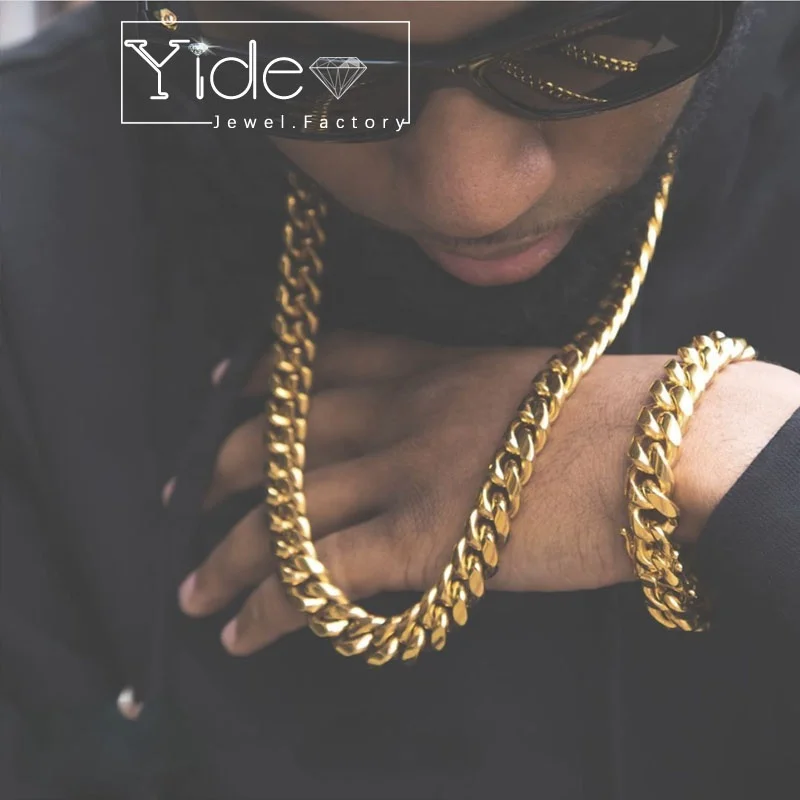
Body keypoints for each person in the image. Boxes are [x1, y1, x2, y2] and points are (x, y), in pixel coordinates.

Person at [2, 1, 800, 797]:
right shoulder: (36, 214)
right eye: (309, 67)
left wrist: (746, 457)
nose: (472, 198)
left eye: (590, 47)